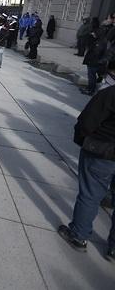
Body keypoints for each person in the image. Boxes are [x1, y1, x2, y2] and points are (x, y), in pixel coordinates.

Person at [58, 83, 115, 262]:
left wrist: (82, 138)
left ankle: (79, 235)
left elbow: (87, 121)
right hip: (105, 151)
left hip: (102, 151)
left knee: (90, 194)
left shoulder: (110, 94)